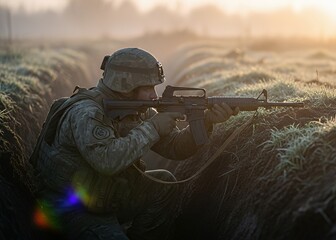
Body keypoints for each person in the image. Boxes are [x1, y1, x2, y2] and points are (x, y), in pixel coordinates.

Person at [31, 47, 239, 239]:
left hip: (105, 196)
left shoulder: (135, 108)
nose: (154, 95)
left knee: (163, 183)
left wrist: (206, 121)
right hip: (71, 208)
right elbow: (107, 161)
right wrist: (153, 128)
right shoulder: (86, 113)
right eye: (148, 87)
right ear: (125, 84)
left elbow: (174, 147)